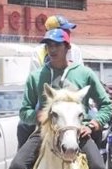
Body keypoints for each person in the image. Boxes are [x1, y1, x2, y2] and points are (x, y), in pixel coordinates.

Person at [4, 29, 112, 169]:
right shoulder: (37, 77)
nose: (51, 49)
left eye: (57, 45)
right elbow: (24, 109)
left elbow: (106, 105)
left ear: (67, 48)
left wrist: (92, 125)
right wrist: (38, 117)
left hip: (77, 133)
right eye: (48, 45)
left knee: (97, 168)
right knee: (16, 168)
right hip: (45, 133)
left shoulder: (84, 74)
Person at [18, 15, 83, 147]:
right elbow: (35, 79)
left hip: (71, 100)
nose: (69, 33)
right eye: (65, 30)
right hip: (47, 101)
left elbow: (81, 76)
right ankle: (24, 161)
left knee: (95, 125)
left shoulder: (75, 50)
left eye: (68, 31)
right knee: (23, 127)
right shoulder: (38, 52)